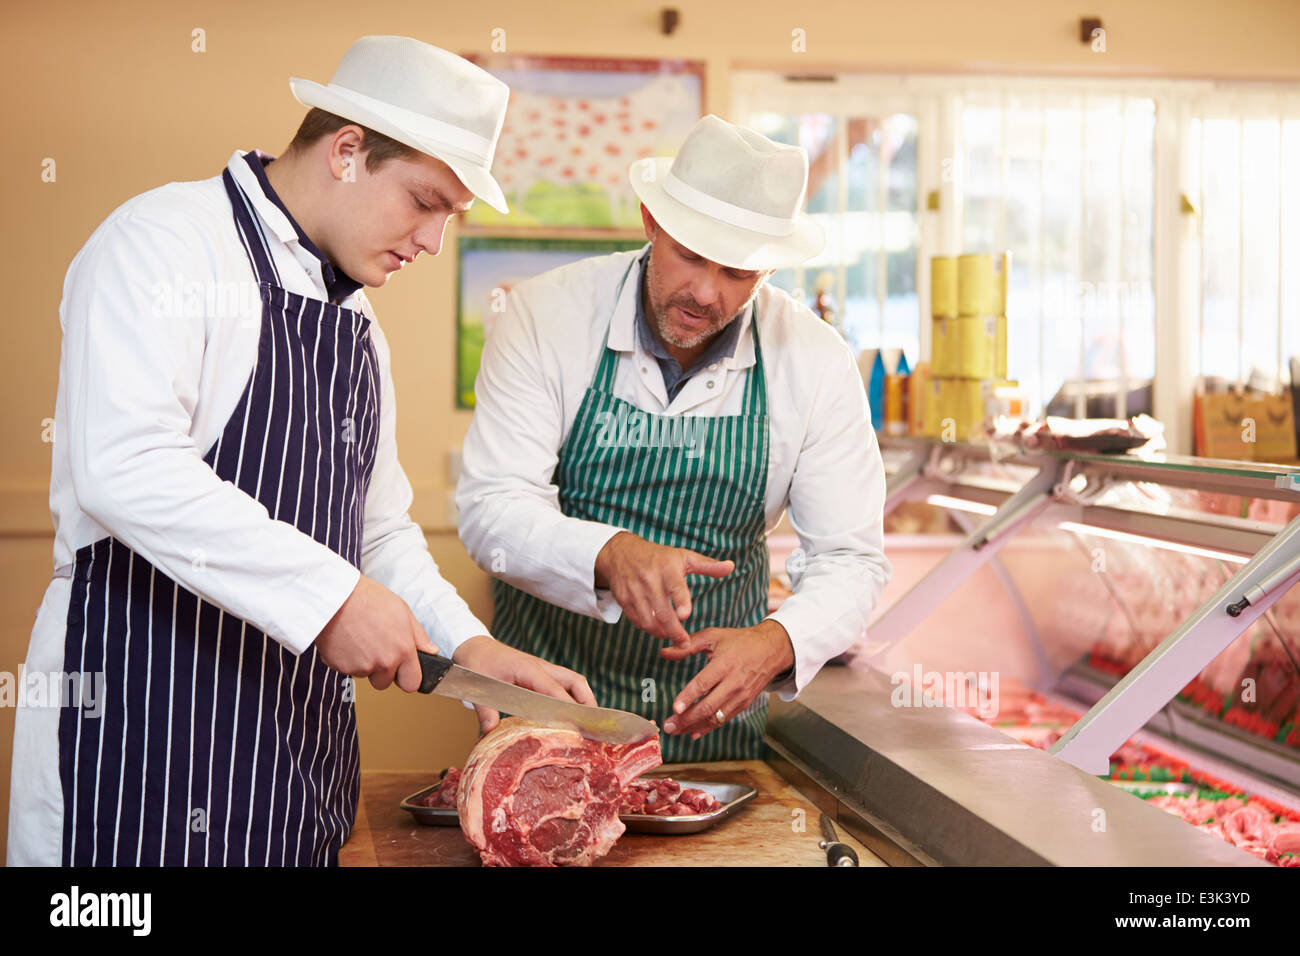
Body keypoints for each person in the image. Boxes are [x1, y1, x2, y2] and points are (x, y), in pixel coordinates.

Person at [7, 35, 594, 867]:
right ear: (347, 152)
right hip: (141, 733)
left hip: (290, 765)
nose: (432, 243)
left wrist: (469, 647)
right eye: (425, 202)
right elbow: (123, 464)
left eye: (451, 219)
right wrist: (330, 598)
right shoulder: (163, 244)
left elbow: (380, 533)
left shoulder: (357, 326)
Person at [456, 114, 892, 762]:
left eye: (738, 273)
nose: (704, 292)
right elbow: (491, 506)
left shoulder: (815, 360)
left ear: (769, 270)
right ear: (651, 221)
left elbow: (850, 559)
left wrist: (779, 639)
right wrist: (609, 552)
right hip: (553, 722)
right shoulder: (545, 315)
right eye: (690, 254)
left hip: (712, 738)